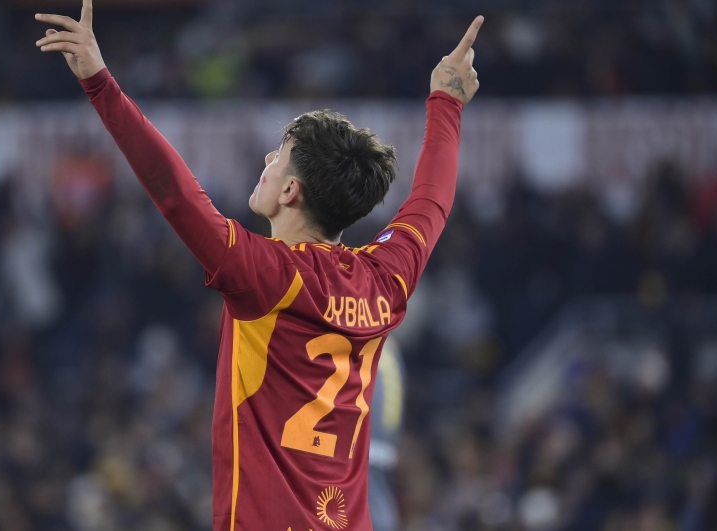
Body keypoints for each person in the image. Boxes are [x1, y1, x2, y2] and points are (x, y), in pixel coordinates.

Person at [34, 3, 482, 529]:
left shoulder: (265, 276)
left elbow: (175, 193)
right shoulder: (385, 278)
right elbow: (431, 202)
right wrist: (446, 101)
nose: (267, 162)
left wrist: (100, 83)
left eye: (278, 154)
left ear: (291, 190)